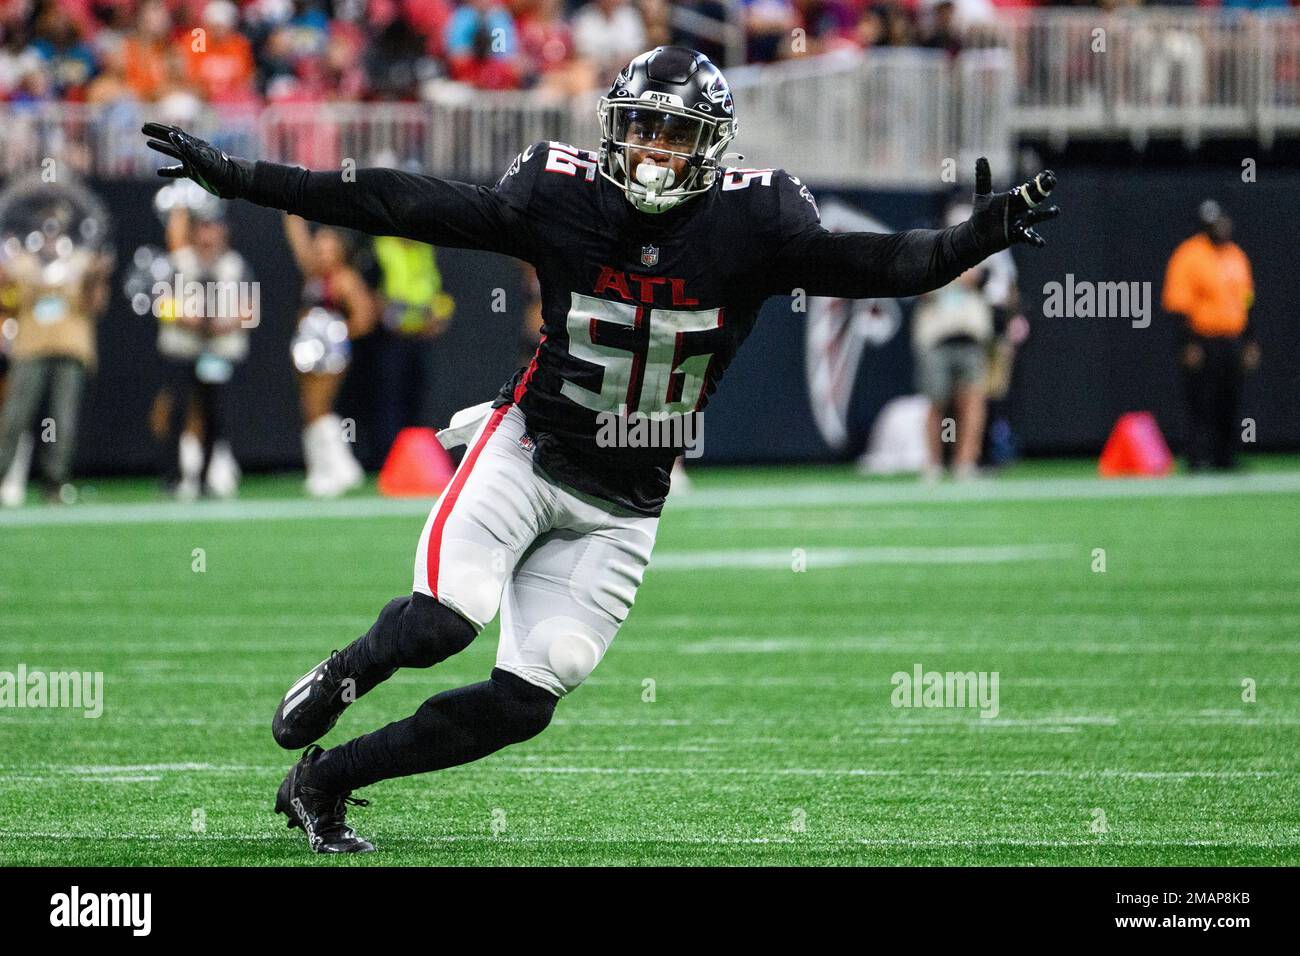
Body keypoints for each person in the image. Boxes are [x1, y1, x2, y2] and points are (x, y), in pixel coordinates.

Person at [141, 45, 1060, 853]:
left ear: (711, 148)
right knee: (445, 617)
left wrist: (972, 240)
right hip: (528, 447)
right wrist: (248, 179)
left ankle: (324, 782)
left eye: (675, 135)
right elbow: (406, 202)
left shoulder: (758, 222)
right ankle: (346, 672)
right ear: (614, 131)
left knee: (529, 698)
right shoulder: (561, 193)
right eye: (642, 131)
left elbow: (881, 266)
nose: (655, 152)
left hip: (624, 502)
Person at [0, 190, 112, 506]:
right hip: (30, 346)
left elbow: (95, 306)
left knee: (63, 419)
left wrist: (97, 279)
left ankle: (55, 483)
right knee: (15, 417)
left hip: (70, 345)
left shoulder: (81, 262)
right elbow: (7, 303)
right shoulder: (19, 263)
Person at [153, 201, 253, 499]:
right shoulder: (179, 262)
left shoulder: (235, 265)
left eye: (214, 227)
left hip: (219, 350)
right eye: (204, 227)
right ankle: (173, 477)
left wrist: (229, 322)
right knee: (177, 410)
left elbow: (250, 309)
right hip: (183, 349)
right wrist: (185, 317)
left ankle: (208, 476)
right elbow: (160, 302)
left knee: (215, 413)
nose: (209, 234)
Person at [284, 213, 377, 498]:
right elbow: (298, 244)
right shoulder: (313, 274)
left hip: (331, 353)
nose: (321, 252)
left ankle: (329, 472)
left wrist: (333, 332)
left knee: (317, 409)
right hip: (308, 350)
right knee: (309, 409)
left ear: (340, 251)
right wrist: (291, 215)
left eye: (327, 247)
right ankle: (336, 468)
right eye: (318, 246)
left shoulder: (345, 279)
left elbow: (365, 317)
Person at [1161, 199, 1257, 472]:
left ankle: (1225, 457)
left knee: (1229, 401)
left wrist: (1250, 341)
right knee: (1200, 402)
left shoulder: (1236, 255)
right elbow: (1178, 305)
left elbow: (1248, 301)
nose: (1220, 227)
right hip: (1202, 339)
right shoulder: (1189, 255)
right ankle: (1196, 457)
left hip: (1232, 339)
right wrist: (1188, 344)